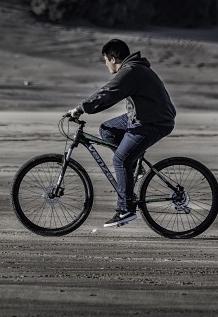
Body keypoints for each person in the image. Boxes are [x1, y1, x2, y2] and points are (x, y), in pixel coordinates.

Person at [67, 39, 176, 228]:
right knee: (107, 130)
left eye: (105, 60)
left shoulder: (131, 71)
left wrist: (81, 108)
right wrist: (89, 108)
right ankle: (135, 168)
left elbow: (109, 92)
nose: (106, 64)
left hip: (154, 121)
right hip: (145, 116)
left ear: (113, 57)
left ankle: (125, 209)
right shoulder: (134, 69)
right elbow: (110, 97)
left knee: (120, 160)